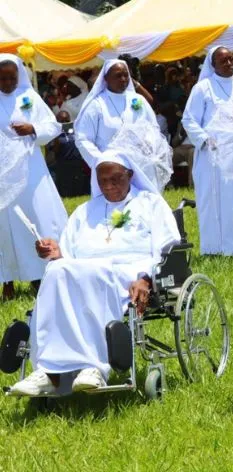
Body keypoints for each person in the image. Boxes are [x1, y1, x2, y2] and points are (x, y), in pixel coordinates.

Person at [9, 151, 180, 396]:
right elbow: (67, 252)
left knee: (94, 272)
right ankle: (49, 371)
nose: (109, 186)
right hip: (84, 269)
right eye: (102, 181)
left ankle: (94, 367)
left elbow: (166, 248)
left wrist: (146, 278)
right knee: (56, 270)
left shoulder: (151, 204)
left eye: (116, 179)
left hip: (128, 272)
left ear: (130, 175)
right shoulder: (85, 211)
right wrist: (56, 251)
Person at [182, 45, 233, 256]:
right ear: (213, 64)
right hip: (216, 154)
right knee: (222, 201)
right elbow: (189, 119)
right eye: (223, 61)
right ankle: (219, 248)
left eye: (231, 59)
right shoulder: (203, 88)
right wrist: (204, 139)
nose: (229, 64)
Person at [0, 55, 67, 300]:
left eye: (11, 77)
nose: (7, 82)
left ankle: (39, 274)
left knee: (37, 217)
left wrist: (33, 129)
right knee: (5, 226)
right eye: (3, 78)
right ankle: (7, 280)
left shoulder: (29, 98)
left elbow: (52, 126)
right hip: (3, 174)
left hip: (31, 171)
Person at [73, 59, 157, 168]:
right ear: (106, 78)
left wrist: (149, 146)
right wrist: (101, 162)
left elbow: (153, 127)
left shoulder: (138, 99)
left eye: (126, 75)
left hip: (141, 164)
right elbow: (83, 138)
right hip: (110, 169)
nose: (123, 79)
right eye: (118, 76)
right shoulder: (96, 104)